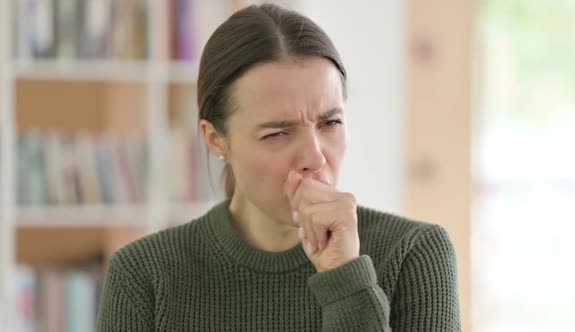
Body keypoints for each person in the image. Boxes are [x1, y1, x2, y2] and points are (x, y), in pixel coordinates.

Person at [97, 3, 461, 331]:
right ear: (216, 139)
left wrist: (346, 278)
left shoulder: (415, 254)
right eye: (278, 133)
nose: (315, 158)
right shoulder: (144, 273)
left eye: (330, 123)